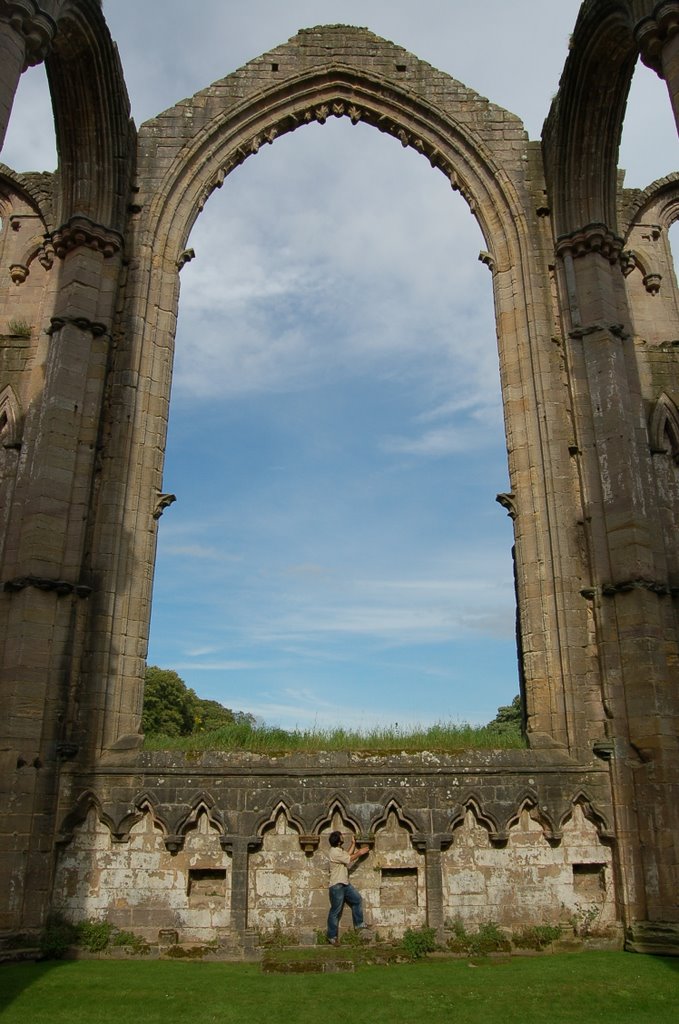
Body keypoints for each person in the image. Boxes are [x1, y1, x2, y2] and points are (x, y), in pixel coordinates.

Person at [326, 829, 369, 945]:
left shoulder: (338, 850)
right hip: (337, 885)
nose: (342, 836)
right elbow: (349, 859)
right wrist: (360, 852)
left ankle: (359, 924)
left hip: (345, 883)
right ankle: (332, 936)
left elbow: (347, 855)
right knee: (335, 910)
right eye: (341, 835)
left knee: (357, 900)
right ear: (338, 840)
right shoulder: (333, 852)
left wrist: (353, 844)